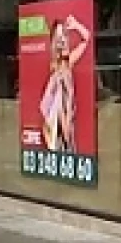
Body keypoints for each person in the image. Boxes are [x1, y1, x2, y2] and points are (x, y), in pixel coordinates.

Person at [39, 14, 93, 152]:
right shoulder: (56, 69)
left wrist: (75, 25)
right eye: (58, 36)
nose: (62, 39)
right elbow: (51, 104)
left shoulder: (68, 61)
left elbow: (86, 38)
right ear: (53, 41)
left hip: (64, 130)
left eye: (64, 34)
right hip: (59, 130)